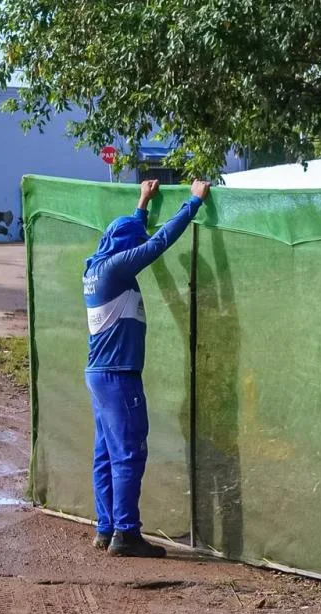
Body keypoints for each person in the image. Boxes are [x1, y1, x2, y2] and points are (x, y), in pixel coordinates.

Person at [83, 178, 210, 557]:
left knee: (105, 453)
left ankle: (106, 528)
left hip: (100, 375)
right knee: (129, 453)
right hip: (119, 375)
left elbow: (131, 236)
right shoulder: (116, 269)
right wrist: (193, 202)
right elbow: (156, 244)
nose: (136, 248)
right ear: (125, 246)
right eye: (132, 242)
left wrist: (142, 203)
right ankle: (126, 534)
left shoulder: (96, 266)